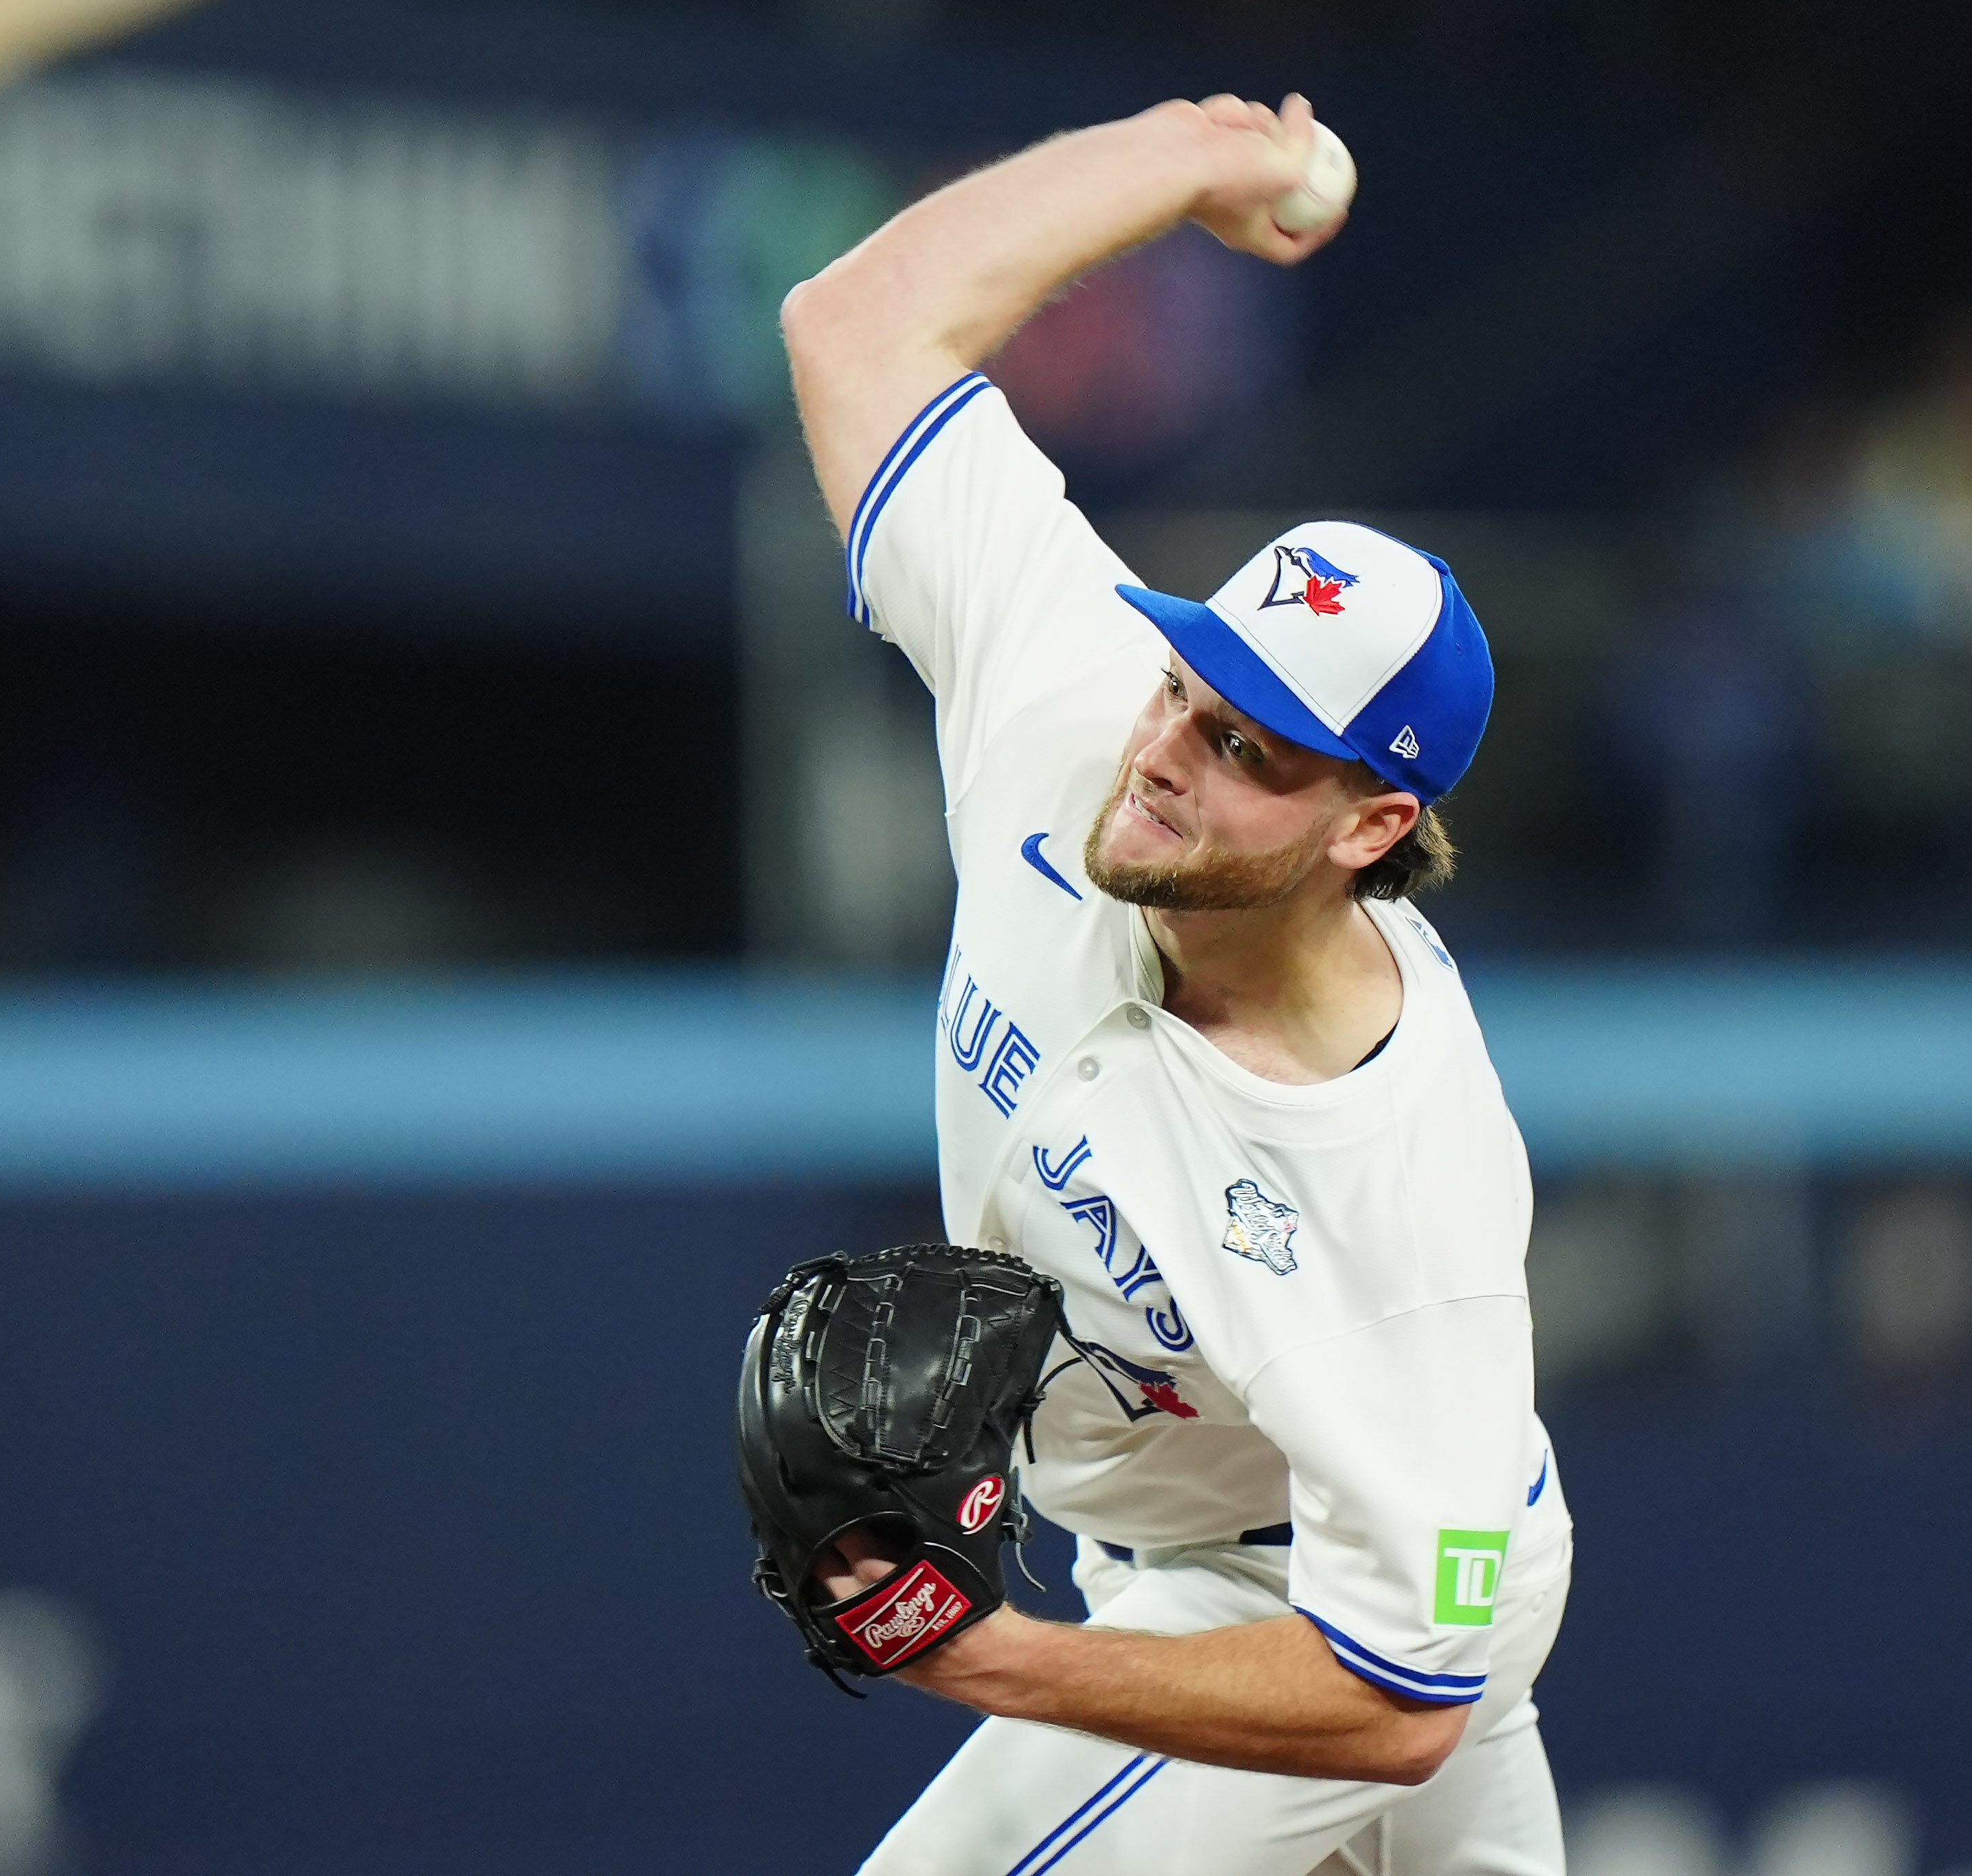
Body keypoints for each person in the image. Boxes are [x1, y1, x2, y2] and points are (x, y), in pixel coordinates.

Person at [782, 91, 1570, 1876]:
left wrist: (993, 1660)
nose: (1170, 754)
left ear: (1370, 826)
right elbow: (857, 324)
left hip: (1339, 1608)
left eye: (1251, 752)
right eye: (1190, 687)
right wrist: (1190, 158)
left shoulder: (1394, 1191)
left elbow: (1395, 1696)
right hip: (1198, 1560)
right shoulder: (1079, 709)